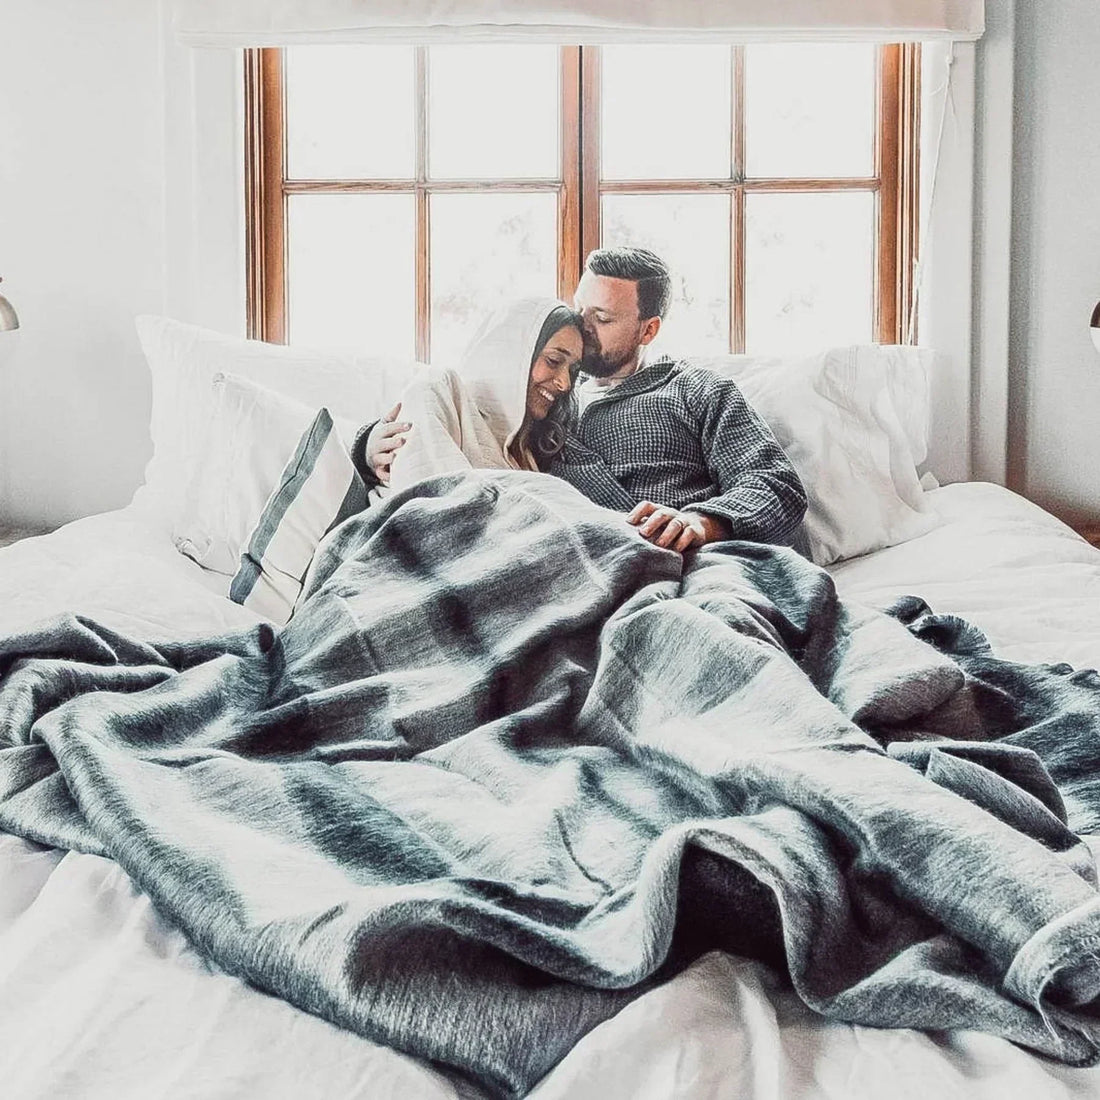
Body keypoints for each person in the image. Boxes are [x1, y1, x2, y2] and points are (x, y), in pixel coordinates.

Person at [366, 248, 807, 552]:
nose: (584, 325)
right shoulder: (544, 393)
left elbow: (775, 484)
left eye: (603, 317)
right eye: (581, 309)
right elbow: (472, 420)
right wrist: (369, 446)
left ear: (647, 329)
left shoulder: (696, 390)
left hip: (672, 556)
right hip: (563, 559)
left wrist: (700, 522)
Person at [351, 298, 585, 497]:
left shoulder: (532, 449)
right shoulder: (439, 389)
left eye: (573, 371)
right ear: (514, 356)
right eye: (553, 361)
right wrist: (363, 450)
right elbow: (437, 507)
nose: (565, 383)